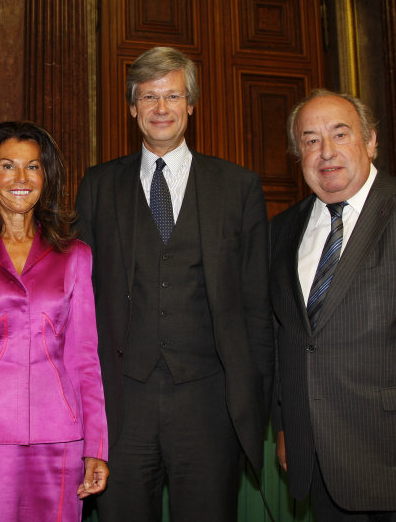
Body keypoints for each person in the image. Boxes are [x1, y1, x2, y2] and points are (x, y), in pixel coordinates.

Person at [75, 46, 274, 522]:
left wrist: (256, 398)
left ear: (190, 105)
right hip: (123, 402)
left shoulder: (238, 187)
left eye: (171, 96)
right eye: (148, 97)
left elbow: (256, 304)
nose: (160, 108)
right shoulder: (99, 186)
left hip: (209, 402)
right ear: (131, 108)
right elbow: (80, 298)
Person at [0, 120, 109, 521]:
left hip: (60, 439)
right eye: (8, 165)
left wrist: (96, 445)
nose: (21, 177)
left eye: (34, 166)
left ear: (47, 177)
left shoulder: (75, 255)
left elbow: (85, 359)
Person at [270, 89, 396, 521]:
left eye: (340, 134)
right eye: (310, 140)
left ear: (371, 141)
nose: (325, 152)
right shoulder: (282, 230)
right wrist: (287, 424)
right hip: (318, 458)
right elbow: (283, 336)